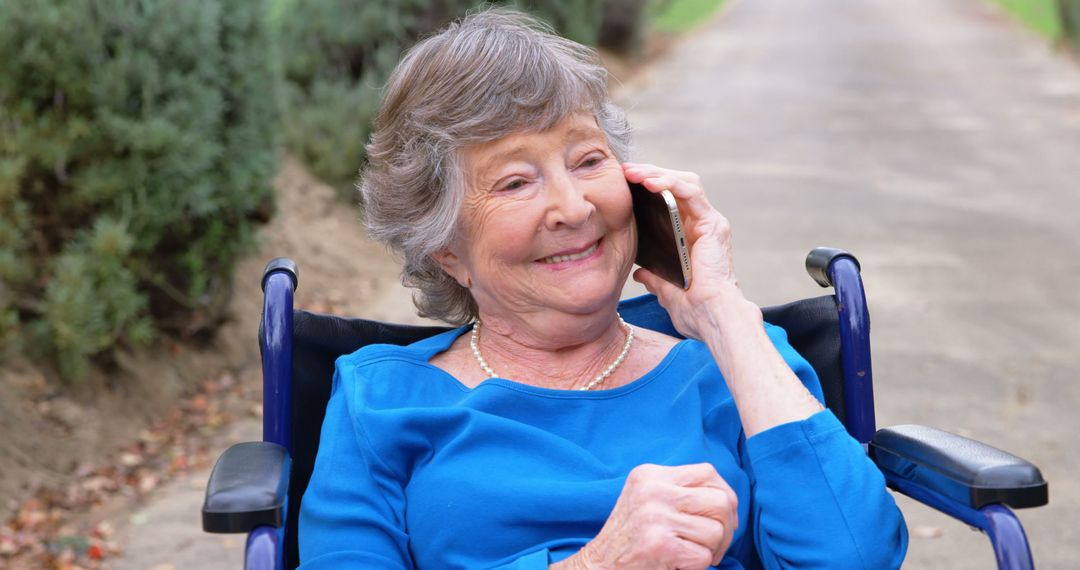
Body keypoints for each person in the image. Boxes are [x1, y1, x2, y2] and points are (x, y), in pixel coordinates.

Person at [298, 8, 907, 569]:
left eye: (589, 161)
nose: (573, 205)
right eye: (515, 183)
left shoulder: (737, 365)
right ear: (446, 249)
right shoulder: (379, 399)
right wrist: (600, 562)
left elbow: (857, 556)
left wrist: (721, 313)